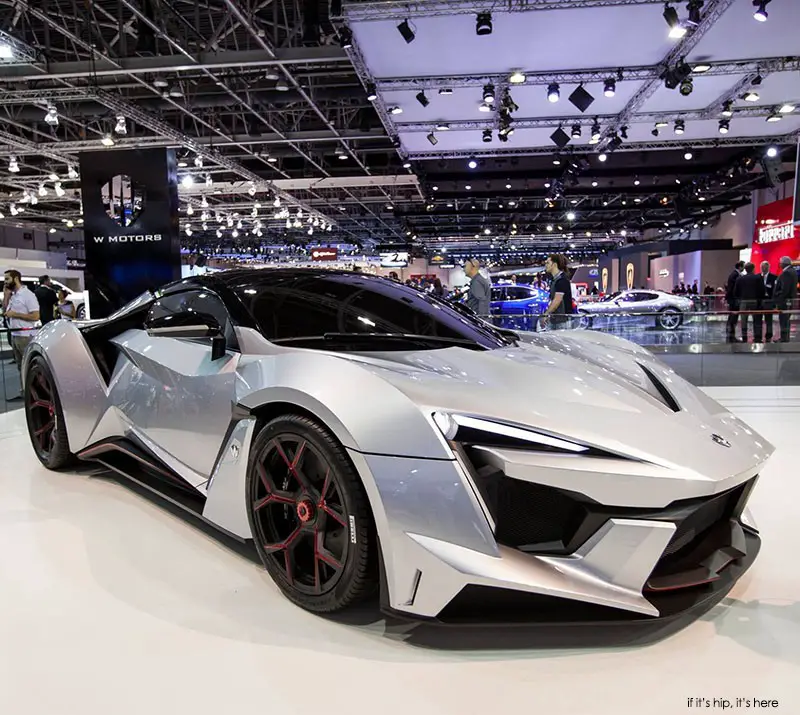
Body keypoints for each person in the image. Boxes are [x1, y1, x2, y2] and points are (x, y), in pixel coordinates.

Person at [3, 269, 40, 396]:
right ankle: (25, 391)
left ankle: (36, 392)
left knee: (30, 367)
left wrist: (16, 314)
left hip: (25, 337)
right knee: (20, 367)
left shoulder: (28, 295)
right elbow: (5, 311)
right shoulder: (13, 296)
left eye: (7, 279)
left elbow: (35, 316)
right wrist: (6, 296)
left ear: (16, 279)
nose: (5, 282)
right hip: (15, 336)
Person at [734, 262, 765, 342]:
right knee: (757, 319)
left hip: (743, 301)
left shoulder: (740, 279)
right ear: (753, 269)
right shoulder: (758, 278)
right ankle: (757, 337)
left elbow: (736, 292)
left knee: (744, 321)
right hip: (755, 301)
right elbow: (762, 290)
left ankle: (744, 338)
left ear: (745, 269)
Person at [542, 253, 573, 330]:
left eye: (548, 263)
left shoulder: (561, 280)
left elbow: (557, 300)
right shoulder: (555, 280)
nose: (546, 265)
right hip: (556, 319)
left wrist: (546, 314)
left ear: (554, 265)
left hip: (562, 320)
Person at [773, 256, 798, 343]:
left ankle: (784, 338)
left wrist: (777, 295)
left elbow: (785, 289)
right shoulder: (793, 271)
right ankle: (785, 338)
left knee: (783, 320)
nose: (779, 264)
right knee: (786, 320)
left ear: (784, 264)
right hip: (789, 301)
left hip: (784, 301)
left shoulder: (786, 273)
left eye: (780, 263)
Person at [725, 261, 745, 342]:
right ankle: (731, 336)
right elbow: (734, 289)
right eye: (743, 266)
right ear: (740, 267)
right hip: (734, 300)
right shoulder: (735, 275)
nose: (744, 268)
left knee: (732, 318)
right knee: (733, 318)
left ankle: (731, 335)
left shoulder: (735, 274)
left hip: (733, 300)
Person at [759, 260, 778, 342]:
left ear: (768, 268)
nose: (764, 268)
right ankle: (758, 335)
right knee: (758, 319)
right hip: (759, 301)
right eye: (762, 267)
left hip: (769, 301)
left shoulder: (774, 277)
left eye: (765, 267)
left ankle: (769, 335)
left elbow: (775, 290)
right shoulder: (757, 277)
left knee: (768, 320)